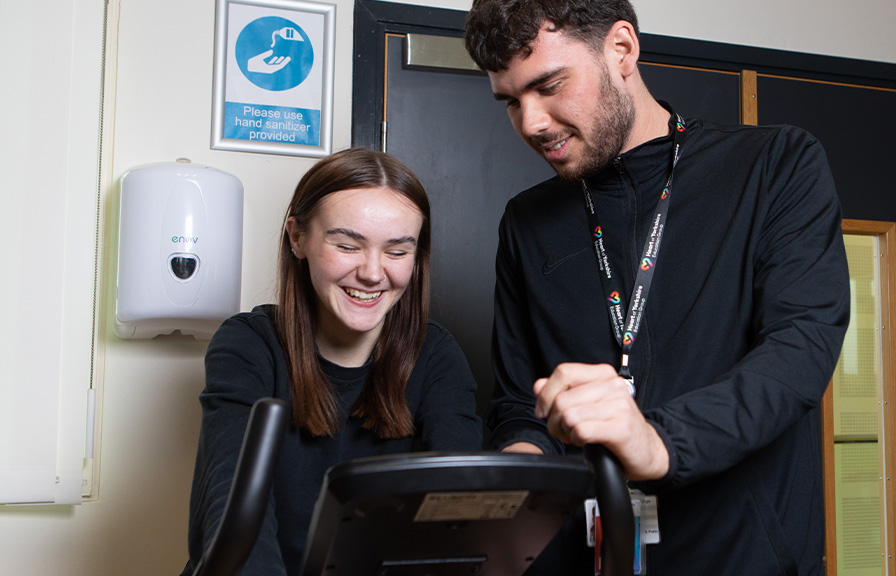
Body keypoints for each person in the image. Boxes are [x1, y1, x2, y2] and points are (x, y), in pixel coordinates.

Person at [464, 1, 850, 574]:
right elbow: (520, 401)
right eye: (511, 102)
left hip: (742, 556)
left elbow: (801, 345)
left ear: (621, 48)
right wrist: (521, 471)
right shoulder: (526, 221)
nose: (532, 122)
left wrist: (658, 442)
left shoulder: (775, 164)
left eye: (548, 85)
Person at [181, 148, 482, 576]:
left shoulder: (436, 356)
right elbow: (231, 513)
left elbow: (459, 517)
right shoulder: (248, 345)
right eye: (347, 245)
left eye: (397, 252)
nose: (373, 273)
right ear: (297, 238)